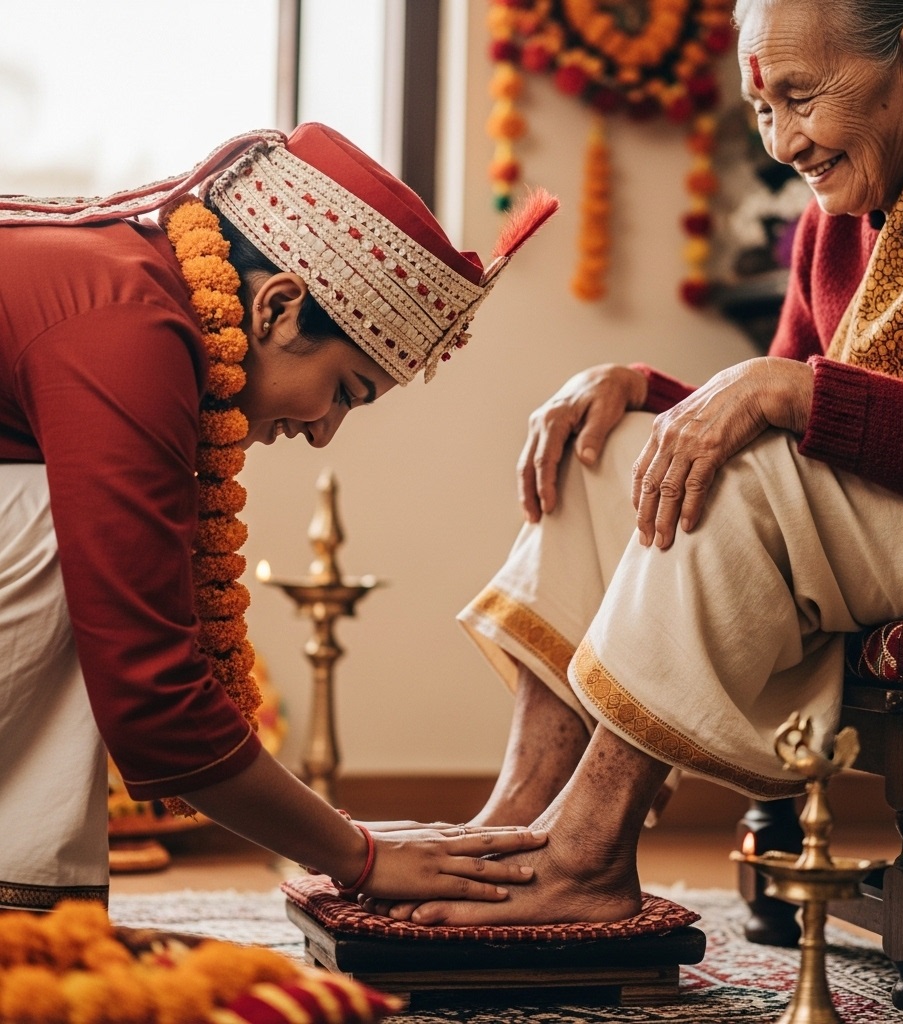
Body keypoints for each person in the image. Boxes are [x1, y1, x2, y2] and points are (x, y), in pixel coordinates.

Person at [359, 0, 903, 929]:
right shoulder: (839, 222)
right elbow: (783, 401)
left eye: (800, 97)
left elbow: (840, 413)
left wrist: (788, 393)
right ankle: (515, 827)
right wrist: (641, 389)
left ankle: (586, 857)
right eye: (763, 108)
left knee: (739, 487)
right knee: (602, 450)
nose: (784, 140)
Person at [0, 123, 557, 911]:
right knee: (64, 525)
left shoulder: (139, 290)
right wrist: (359, 857)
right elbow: (151, 696)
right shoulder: (131, 329)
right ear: (280, 307)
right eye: (347, 391)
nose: (326, 429)